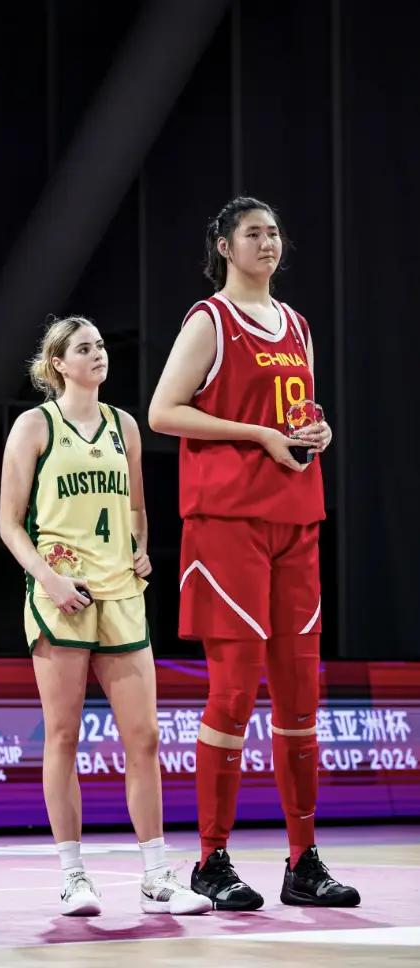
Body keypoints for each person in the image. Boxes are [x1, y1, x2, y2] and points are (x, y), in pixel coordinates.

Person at [148, 197, 360, 909]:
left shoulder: (296, 323)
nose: (268, 243)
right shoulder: (210, 320)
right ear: (224, 246)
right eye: (252, 233)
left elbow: (294, 413)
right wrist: (257, 435)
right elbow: (163, 411)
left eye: (273, 233)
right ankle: (211, 859)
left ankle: (304, 861)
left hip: (296, 520)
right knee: (234, 691)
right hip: (227, 523)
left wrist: (313, 431)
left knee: (300, 697)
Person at [0, 316, 210, 917]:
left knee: (144, 738)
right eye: (84, 348)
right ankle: (73, 875)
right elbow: (9, 523)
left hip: (122, 594)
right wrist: (48, 579)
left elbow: (137, 507)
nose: (98, 354)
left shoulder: (124, 426)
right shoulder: (34, 425)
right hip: (61, 592)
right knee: (62, 735)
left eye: (100, 345)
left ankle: (156, 876)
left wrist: (141, 546)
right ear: (58, 363)